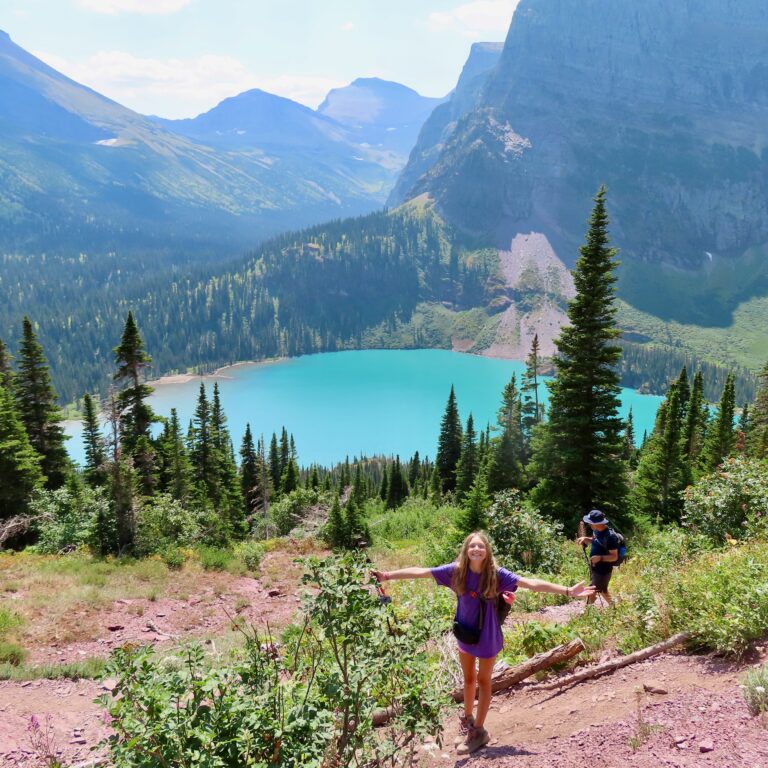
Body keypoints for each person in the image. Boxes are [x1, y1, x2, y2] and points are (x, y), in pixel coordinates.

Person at [372, 531, 596, 755]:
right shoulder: (456, 571)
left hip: (487, 635)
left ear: (487, 551)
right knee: (468, 679)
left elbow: (531, 584)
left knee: (483, 681)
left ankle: (479, 731)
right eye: (472, 546)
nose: (476, 549)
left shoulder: (496, 574)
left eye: (481, 546)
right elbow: (422, 572)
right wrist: (387, 575)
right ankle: (468, 721)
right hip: (465, 633)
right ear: (466, 550)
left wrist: (567, 591)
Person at [576, 509, 619, 605]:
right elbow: (596, 541)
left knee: (594, 589)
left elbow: (614, 557)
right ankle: (614, 607)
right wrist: (586, 539)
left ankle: (588, 611)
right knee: (602, 590)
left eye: (590, 522)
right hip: (596, 568)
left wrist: (600, 558)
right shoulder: (597, 531)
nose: (589, 524)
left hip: (603, 570)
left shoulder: (610, 536)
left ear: (597, 523)